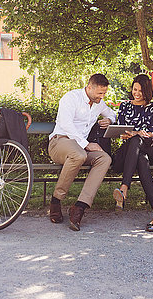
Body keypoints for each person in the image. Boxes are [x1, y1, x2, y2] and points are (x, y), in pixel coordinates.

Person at [48, 73, 116, 231]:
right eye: (100, 93)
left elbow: (112, 113)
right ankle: (56, 200)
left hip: (80, 149)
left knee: (104, 159)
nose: (102, 96)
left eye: (104, 93)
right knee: (79, 154)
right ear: (89, 87)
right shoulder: (71, 98)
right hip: (59, 142)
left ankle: (79, 207)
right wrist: (86, 144)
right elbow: (66, 124)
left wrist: (110, 120)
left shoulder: (98, 102)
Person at [112, 74, 153, 232]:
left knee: (137, 141)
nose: (137, 93)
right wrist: (135, 133)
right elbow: (122, 131)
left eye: (141, 90)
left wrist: (135, 133)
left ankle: (124, 189)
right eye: (135, 89)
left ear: (147, 91)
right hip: (130, 153)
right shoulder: (124, 106)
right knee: (141, 159)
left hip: (151, 149)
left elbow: (151, 134)